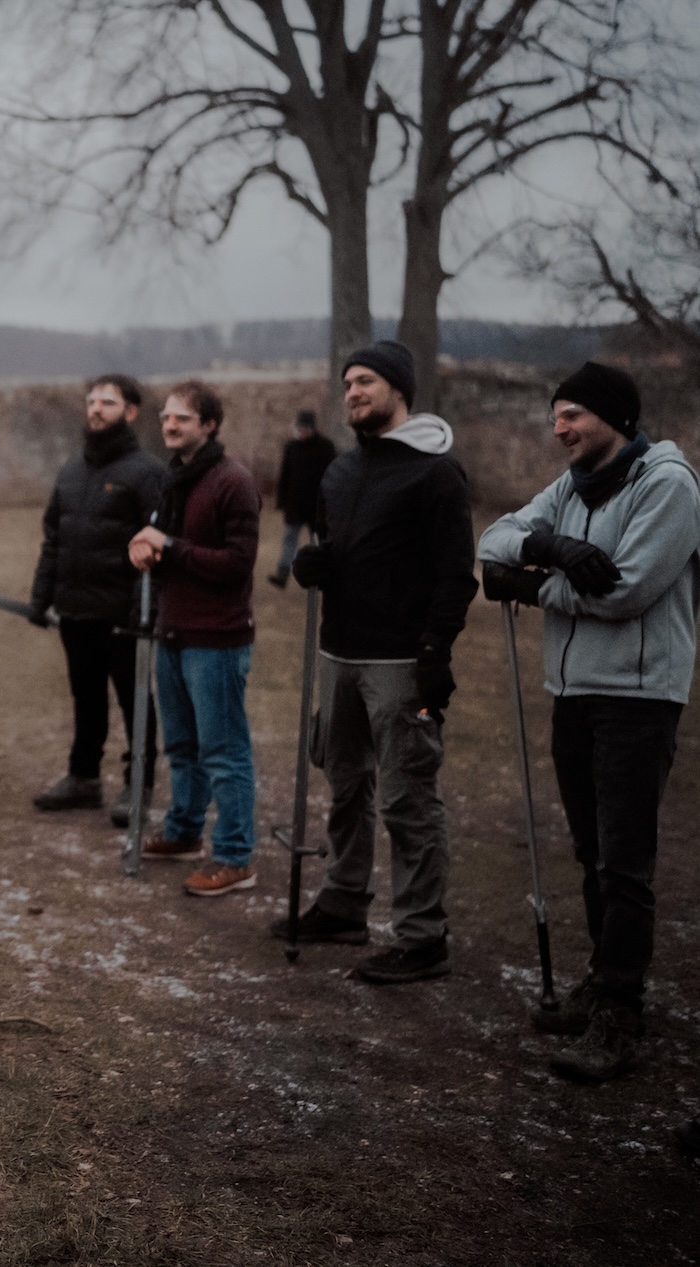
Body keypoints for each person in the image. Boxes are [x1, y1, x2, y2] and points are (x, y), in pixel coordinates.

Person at [478, 361, 700, 1081]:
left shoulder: (667, 484)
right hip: (572, 689)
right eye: (555, 415)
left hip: (637, 695)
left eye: (572, 413)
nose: (559, 427)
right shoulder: (571, 487)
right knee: (589, 848)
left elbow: (626, 588)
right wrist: (546, 545)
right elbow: (493, 540)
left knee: (624, 860)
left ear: (617, 417)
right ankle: (602, 981)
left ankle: (621, 1012)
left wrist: (534, 587)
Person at [281, 340, 477, 983]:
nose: (353, 392)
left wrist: (435, 651)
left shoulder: (435, 473)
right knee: (345, 785)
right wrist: (317, 565)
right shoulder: (339, 471)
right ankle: (343, 903)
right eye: (347, 383)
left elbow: (454, 576)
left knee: (406, 798)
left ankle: (422, 937)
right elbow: (337, 549)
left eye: (366, 380)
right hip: (338, 651)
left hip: (399, 661)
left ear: (399, 389)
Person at [126, 382, 262, 896]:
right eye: (166, 417)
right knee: (181, 747)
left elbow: (234, 565)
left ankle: (234, 855)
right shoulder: (174, 479)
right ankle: (184, 832)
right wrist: (146, 547)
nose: (170, 425)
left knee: (223, 751)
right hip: (173, 633)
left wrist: (170, 546)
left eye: (181, 418)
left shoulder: (233, 482)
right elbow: (169, 544)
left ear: (209, 425)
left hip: (217, 640)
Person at [28, 373, 165, 825]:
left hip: (123, 615)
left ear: (130, 412)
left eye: (107, 402)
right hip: (76, 609)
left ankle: (137, 785)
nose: (95, 409)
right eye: (91, 401)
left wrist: (141, 610)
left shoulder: (147, 473)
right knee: (86, 697)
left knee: (133, 701)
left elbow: (157, 546)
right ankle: (83, 779)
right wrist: (42, 594)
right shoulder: (72, 470)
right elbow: (55, 536)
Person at [268, 410, 336, 588]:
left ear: (313, 428)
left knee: (322, 542)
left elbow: (334, 476)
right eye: (301, 427)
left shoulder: (326, 447)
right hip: (295, 505)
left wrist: (330, 501)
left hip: (317, 507)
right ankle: (282, 575)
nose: (303, 431)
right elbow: (285, 475)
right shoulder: (291, 447)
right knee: (289, 540)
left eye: (306, 427)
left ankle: (327, 575)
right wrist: (281, 500)